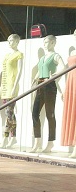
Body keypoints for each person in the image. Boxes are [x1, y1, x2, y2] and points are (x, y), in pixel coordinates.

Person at [30, 35, 64, 153]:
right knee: (35, 113)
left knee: (50, 114)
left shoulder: (56, 56)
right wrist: (34, 80)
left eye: (47, 42)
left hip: (49, 85)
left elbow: (63, 67)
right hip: (40, 85)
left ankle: (50, 142)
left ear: (53, 43)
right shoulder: (43, 58)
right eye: (44, 42)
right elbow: (40, 70)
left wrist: (54, 76)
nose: (45, 44)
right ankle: (37, 142)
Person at [0, 34, 23, 149]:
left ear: (17, 41)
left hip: (12, 86)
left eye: (11, 40)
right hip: (5, 87)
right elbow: (4, 72)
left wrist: (14, 86)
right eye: (8, 40)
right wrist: (0, 87)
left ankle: (5, 137)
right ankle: (13, 137)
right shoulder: (7, 55)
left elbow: (19, 72)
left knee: (9, 113)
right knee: (10, 114)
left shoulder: (19, 55)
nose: (9, 43)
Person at [61, 30, 76, 158]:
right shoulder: (72, 52)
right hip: (71, 82)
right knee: (72, 112)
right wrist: (65, 89)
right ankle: (73, 144)